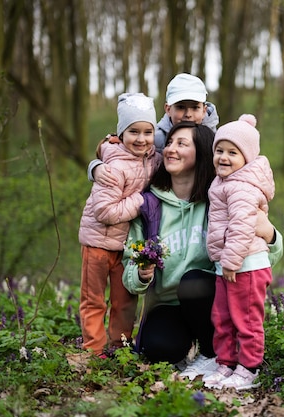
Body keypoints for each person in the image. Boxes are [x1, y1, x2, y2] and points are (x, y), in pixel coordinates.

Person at [121, 120, 283, 382]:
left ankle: (212, 354)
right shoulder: (150, 205)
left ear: (202, 152)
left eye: (181, 144)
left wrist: (270, 234)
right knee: (159, 348)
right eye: (170, 142)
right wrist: (140, 274)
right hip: (168, 303)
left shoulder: (221, 198)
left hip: (210, 295)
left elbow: (265, 257)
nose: (171, 149)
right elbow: (129, 270)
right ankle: (190, 349)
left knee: (194, 281)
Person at [78, 93, 163, 357]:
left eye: (148, 132)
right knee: (94, 299)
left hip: (126, 245)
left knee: (125, 300)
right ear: (121, 134)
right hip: (98, 243)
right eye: (133, 131)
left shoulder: (154, 158)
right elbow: (105, 211)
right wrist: (139, 200)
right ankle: (94, 349)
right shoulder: (112, 166)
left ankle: (120, 347)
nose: (141, 139)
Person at [201, 114, 275, 390]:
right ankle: (227, 363)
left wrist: (230, 261)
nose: (223, 157)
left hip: (246, 265)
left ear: (247, 157)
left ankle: (249, 367)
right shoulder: (223, 183)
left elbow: (243, 227)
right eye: (219, 150)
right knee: (223, 317)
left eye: (233, 152)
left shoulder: (242, 187)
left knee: (246, 319)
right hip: (228, 264)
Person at [88, 73, 219, 186]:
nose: (188, 114)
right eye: (180, 107)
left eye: (195, 107)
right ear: (168, 109)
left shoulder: (215, 138)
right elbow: (118, 154)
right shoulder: (155, 137)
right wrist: (96, 168)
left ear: (204, 110)